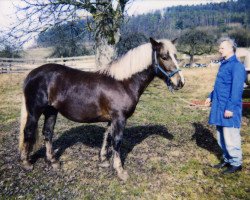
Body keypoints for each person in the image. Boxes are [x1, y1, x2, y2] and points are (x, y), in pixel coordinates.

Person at [205, 37, 246, 174]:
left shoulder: (237, 66)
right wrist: (210, 97)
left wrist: (230, 108)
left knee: (230, 136)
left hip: (228, 108)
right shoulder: (224, 64)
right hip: (219, 106)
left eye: (222, 48)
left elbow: (236, 90)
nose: (219, 50)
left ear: (230, 48)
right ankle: (227, 159)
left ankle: (236, 163)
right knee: (221, 136)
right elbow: (220, 85)